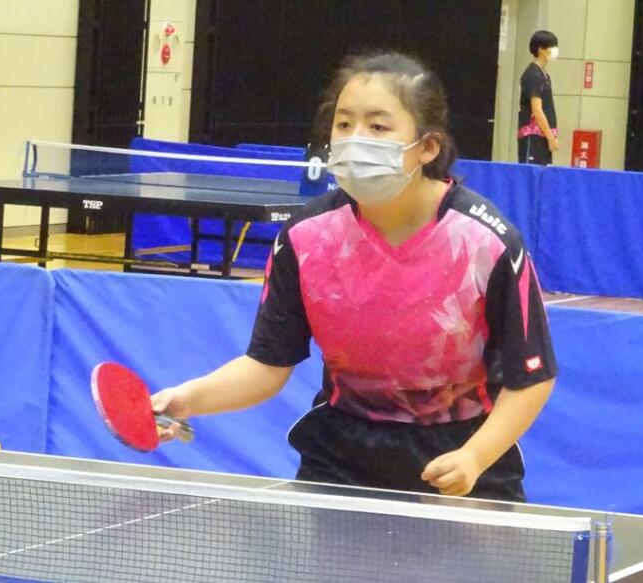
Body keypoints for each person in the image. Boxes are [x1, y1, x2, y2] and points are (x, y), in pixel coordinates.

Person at [152, 51, 557, 502]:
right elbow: (266, 365)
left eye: (378, 127)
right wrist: (186, 399)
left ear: (428, 147)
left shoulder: (487, 242)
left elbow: (532, 376)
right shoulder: (306, 237)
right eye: (344, 124)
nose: (354, 139)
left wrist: (475, 457)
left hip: (463, 461)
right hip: (341, 463)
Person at [518, 30, 560, 165]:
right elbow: (537, 110)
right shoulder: (533, 75)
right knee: (532, 174)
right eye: (552, 47)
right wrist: (551, 138)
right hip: (533, 136)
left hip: (543, 137)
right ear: (542, 50)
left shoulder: (544, 75)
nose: (555, 50)